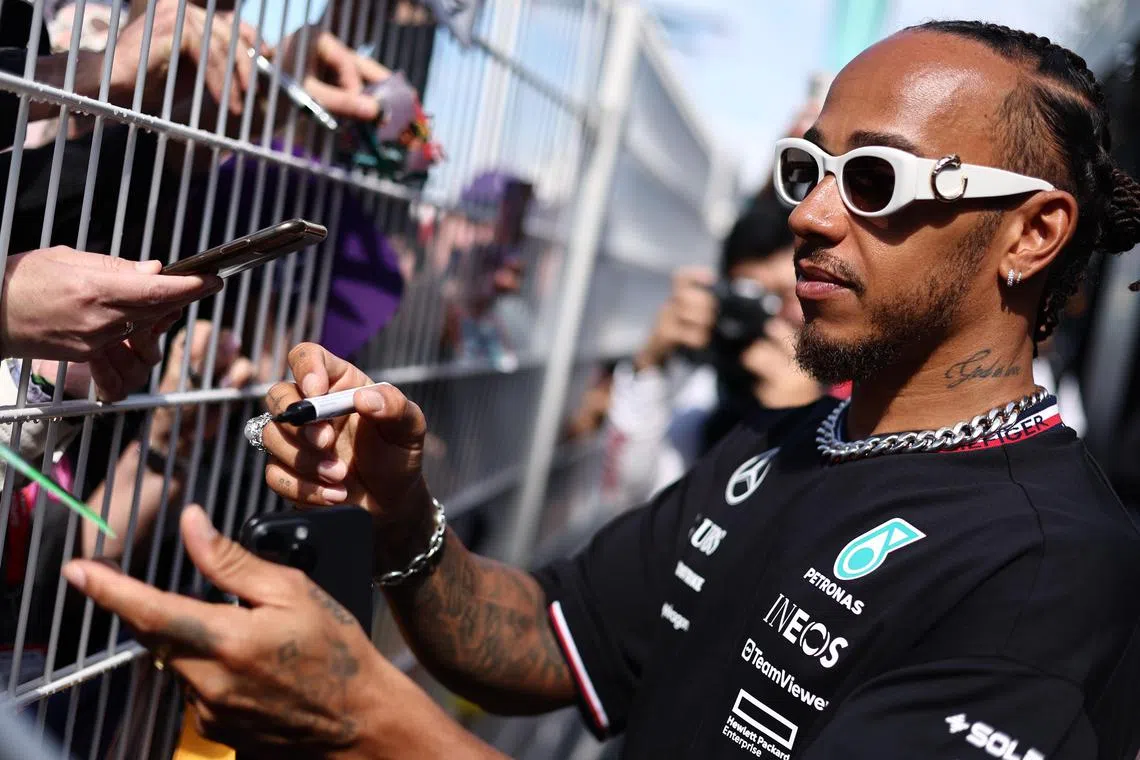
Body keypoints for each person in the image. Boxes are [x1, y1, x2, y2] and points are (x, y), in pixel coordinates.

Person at [63, 20, 1140, 759]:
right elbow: (542, 638)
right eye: (806, 171)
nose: (812, 215)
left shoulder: (1047, 564)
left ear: (1033, 233)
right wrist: (400, 506)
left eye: (875, 181)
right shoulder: (792, 444)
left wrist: (363, 717)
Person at [605, 194, 822, 507]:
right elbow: (626, 493)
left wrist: (803, 423)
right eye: (750, 297)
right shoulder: (709, 392)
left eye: (787, 295)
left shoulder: (850, 398)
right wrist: (649, 366)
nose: (769, 314)